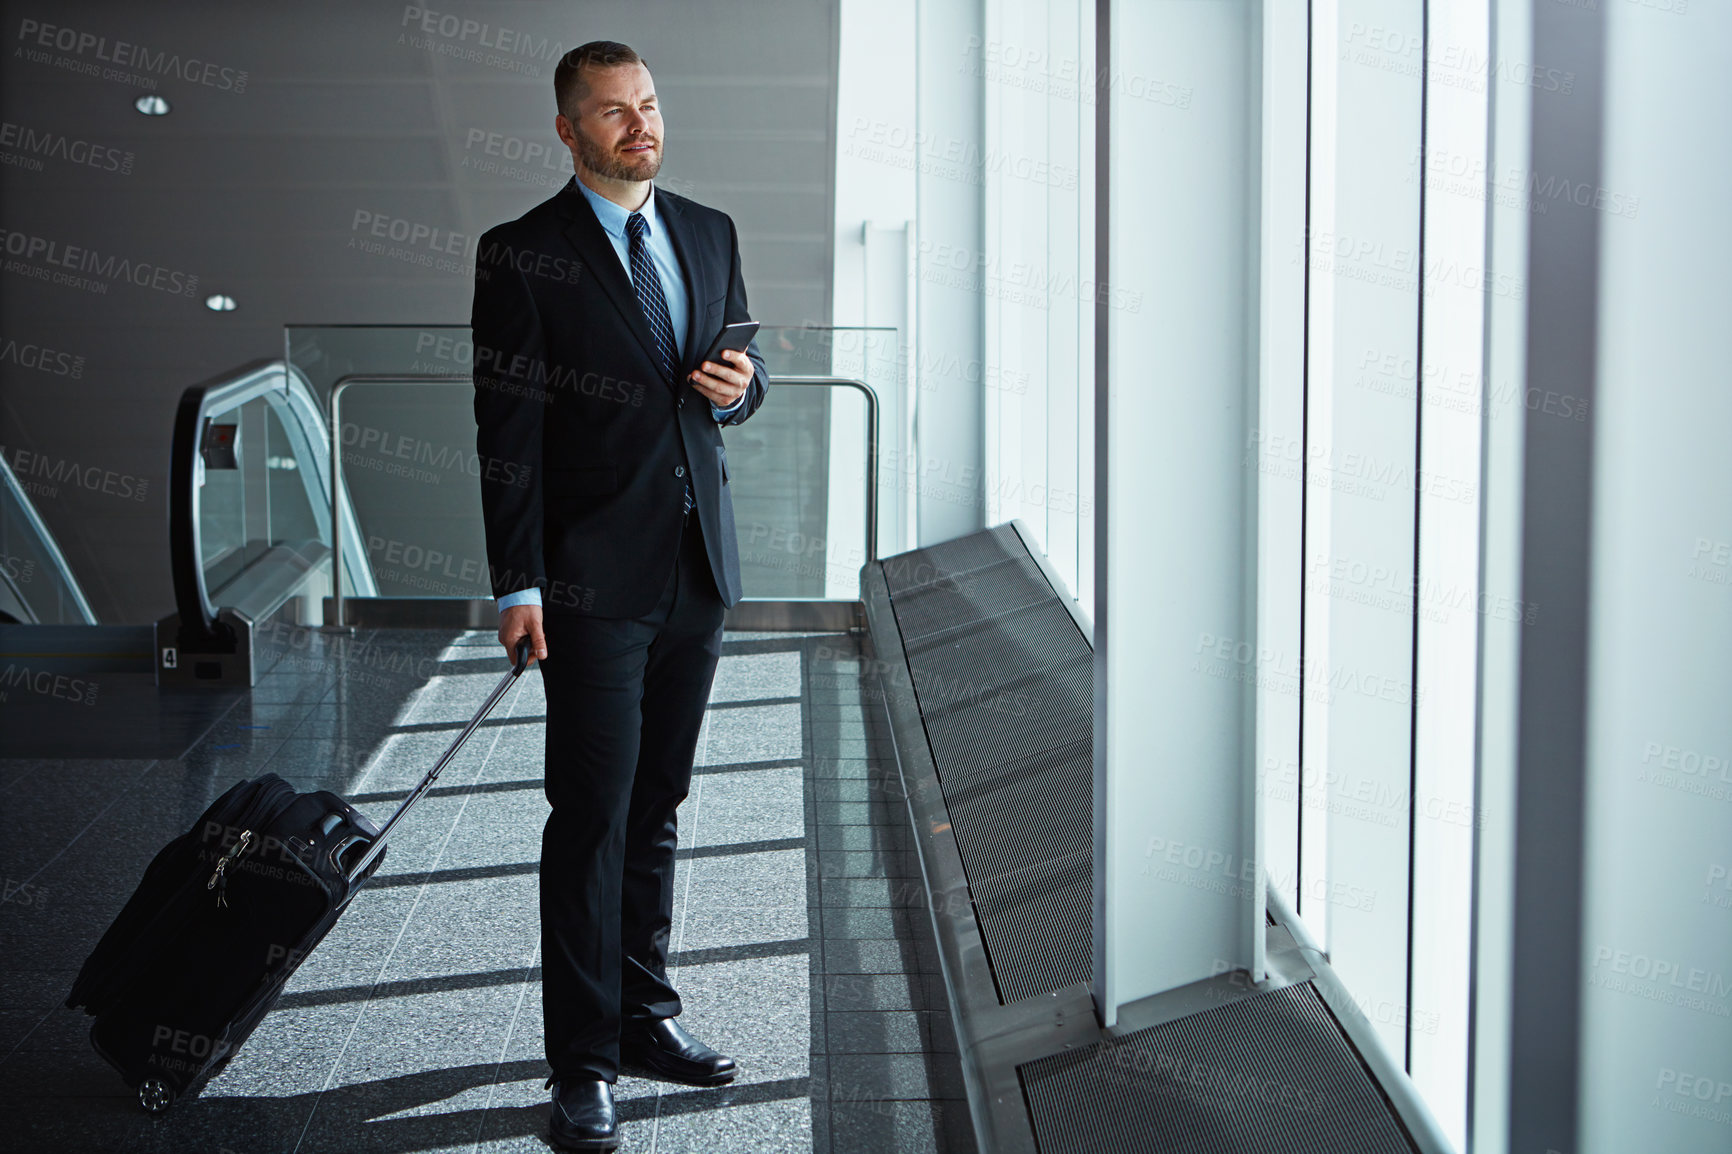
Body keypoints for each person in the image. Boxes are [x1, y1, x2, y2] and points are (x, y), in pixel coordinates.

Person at [470, 39, 769, 1152]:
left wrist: (744, 390)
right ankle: (582, 1060)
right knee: (590, 819)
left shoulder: (707, 229)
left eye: (646, 104)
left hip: (697, 572)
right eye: (611, 112)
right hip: (590, 586)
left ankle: (645, 1014)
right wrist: (518, 582)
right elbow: (507, 432)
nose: (638, 124)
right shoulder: (522, 255)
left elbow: (731, 368)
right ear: (567, 130)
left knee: (657, 809)